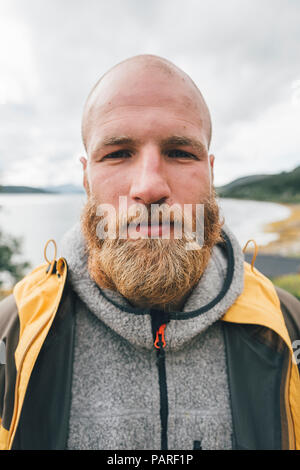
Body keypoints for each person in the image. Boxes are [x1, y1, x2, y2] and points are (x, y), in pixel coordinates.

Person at [1, 54, 300, 451]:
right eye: (118, 153)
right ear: (86, 180)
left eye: (180, 152)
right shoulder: (14, 330)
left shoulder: (287, 324)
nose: (150, 186)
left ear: (210, 173)